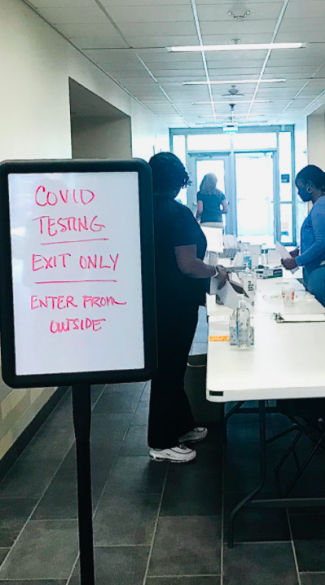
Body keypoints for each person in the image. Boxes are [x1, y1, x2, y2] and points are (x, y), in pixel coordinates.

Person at [148, 153, 229, 464]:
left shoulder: (143, 209)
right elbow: (188, 265)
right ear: (180, 180)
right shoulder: (177, 213)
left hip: (155, 299)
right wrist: (216, 272)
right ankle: (161, 441)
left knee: (172, 365)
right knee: (169, 369)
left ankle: (180, 426)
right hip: (175, 302)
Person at [281, 165, 325, 319]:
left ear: (310, 186)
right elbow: (319, 236)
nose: (298, 192)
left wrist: (297, 261)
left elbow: (322, 242)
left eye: (300, 187)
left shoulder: (320, 208)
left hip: (324, 270)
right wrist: (300, 250)